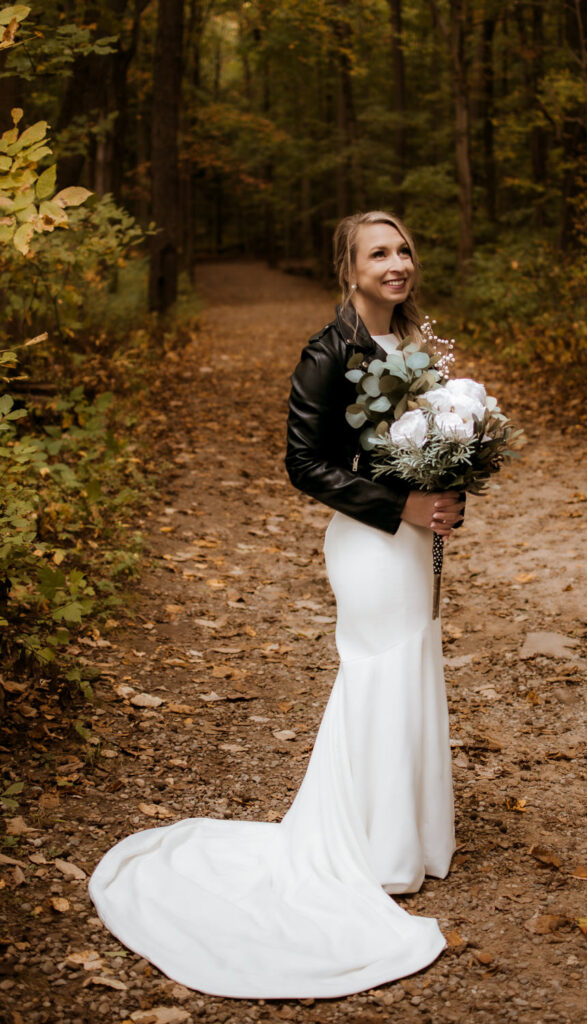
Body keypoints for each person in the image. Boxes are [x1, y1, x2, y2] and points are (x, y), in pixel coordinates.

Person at [88, 210, 464, 1000]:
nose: (396, 263)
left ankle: (410, 836)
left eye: (402, 249)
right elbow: (303, 462)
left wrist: (447, 485)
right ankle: (374, 849)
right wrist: (398, 505)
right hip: (368, 541)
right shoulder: (328, 352)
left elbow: (426, 443)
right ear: (348, 269)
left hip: (411, 540)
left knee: (411, 665)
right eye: (377, 253)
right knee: (379, 670)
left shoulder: (413, 345)